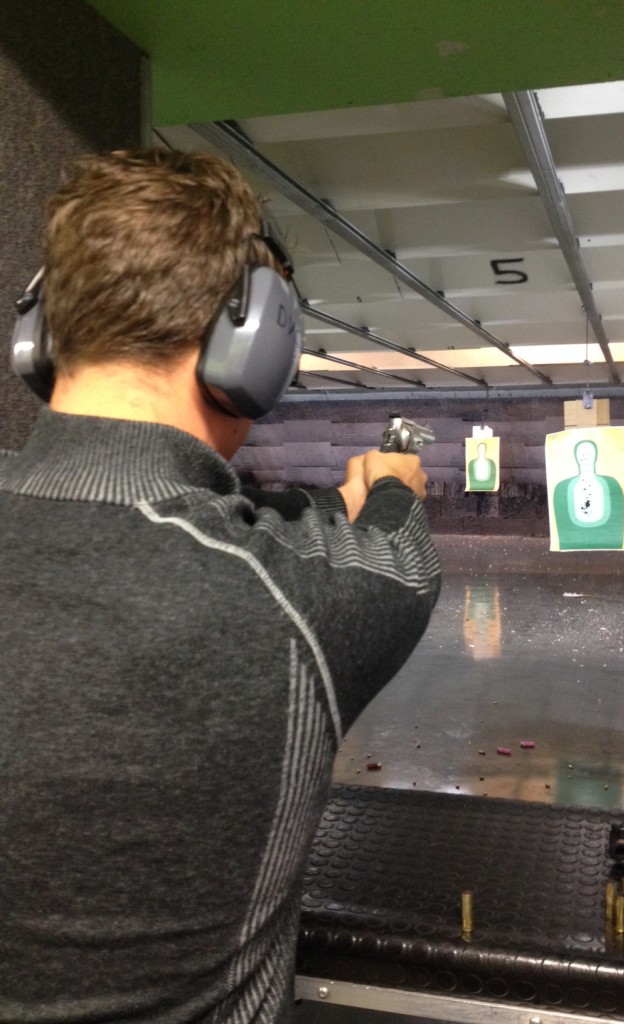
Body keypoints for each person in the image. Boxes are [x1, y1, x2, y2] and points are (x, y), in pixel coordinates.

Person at [0, 149, 441, 1024]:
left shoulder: (283, 577)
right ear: (255, 347)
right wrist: (393, 485)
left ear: (42, 336)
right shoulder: (295, 604)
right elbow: (401, 558)